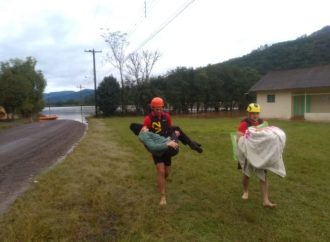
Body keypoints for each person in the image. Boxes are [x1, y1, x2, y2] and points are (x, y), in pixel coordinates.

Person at [142, 97, 202, 205]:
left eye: (160, 108)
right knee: (160, 171)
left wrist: (175, 135)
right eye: (156, 109)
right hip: (157, 148)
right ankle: (162, 196)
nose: (159, 111)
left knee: (166, 172)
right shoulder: (148, 119)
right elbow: (145, 135)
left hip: (167, 147)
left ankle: (161, 181)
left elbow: (169, 130)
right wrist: (148, 139)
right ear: (152, 108)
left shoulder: (167, 117)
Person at [236, 103, 277, 208]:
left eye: (257, 113)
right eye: (253, 113)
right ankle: (245, 191)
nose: (255, 115)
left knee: (263, 177)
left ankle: (266, 201)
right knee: (246, 175)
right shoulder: (244, 123)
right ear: (249, 113)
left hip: (260, 154)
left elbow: (267, 135)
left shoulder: (262, 122)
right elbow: (238, 138)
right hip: (248, 154)